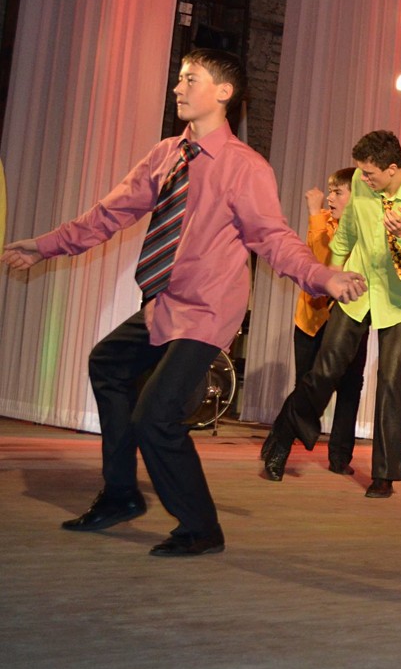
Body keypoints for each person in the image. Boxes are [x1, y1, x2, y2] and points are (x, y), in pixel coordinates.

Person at [0, 49, 367, 556]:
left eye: (191, 79)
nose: (178, 88)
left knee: (156, 417)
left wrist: (324, 276)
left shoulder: (245, 167)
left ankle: (201, 528)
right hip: (165, 301)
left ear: (223, 92)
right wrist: (44, 246)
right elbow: (109, 214)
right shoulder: (167, 154)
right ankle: (121, 495)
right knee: (107, 363)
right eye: (179, 78)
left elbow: (273, 239)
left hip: (209, 309)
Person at [262, 130, 401, 499]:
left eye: (370, 173)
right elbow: (345, 235)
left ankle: (384, 476)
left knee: (390, 381)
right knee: (324, 369)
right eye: (362, 172)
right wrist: (331, 277)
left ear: (392, 169)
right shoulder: (360, 181)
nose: (364, 178)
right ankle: (283, 435)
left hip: (399, 300)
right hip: (357, 288)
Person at [292, 167, 369, 475]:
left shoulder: (361, 228)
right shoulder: (322, 221)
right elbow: (317, 267)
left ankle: (340, 457)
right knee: (306, 383)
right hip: (312, 317)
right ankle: (286, 444)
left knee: (350, 387)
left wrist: (314, 215)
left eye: (338, 192)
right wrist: (315, 216)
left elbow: (333, 261)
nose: (330, 198)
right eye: (331, 192)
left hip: (350, 316)